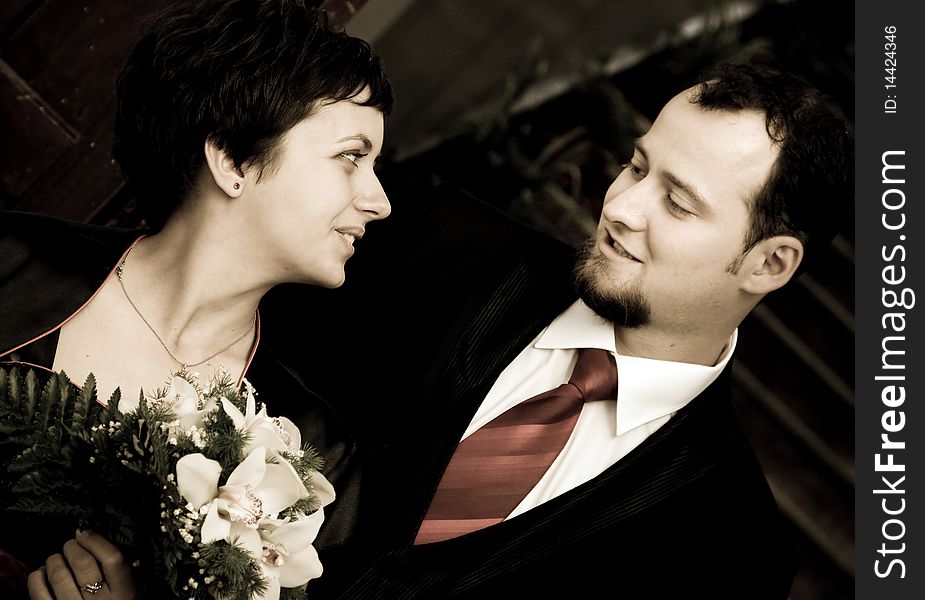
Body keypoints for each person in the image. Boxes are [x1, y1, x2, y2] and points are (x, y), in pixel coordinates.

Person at [261, 62, 854, 598]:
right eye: (637, 166)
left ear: (769, 263)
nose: (621, 206)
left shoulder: (735, 553)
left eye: (677, 203)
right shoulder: (437, 241)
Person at [0, 0, 392, 598]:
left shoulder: (316, 458)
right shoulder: (10, 262)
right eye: (351, 157)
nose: (379, 201)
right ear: (233, 158)